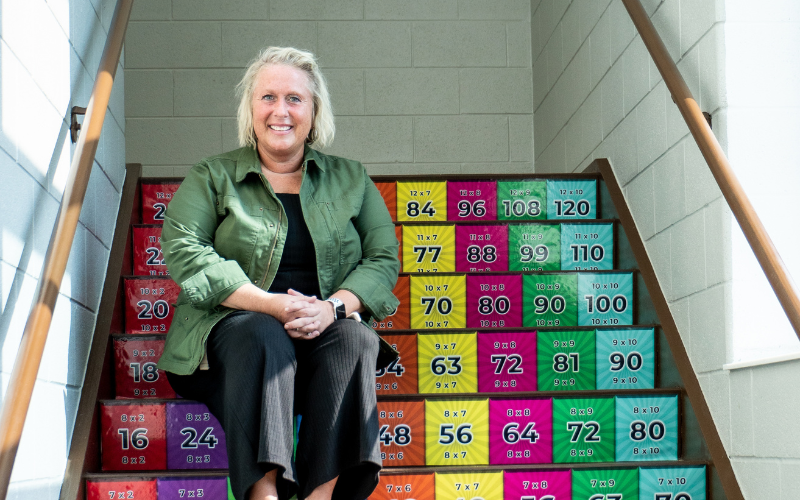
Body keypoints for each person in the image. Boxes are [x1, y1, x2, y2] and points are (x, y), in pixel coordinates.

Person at [156, 46, 400, 500]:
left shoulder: (350, 178)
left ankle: (319, 495)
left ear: (314, 111)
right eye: (268, 97)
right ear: (250, 110)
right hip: (232, 341)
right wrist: (270, 304)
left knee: (356, 338)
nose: (280, 111)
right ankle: (263, 492)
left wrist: (332, 308)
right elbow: (185, 250)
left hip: (320, 341)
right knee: (261, 333)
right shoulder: (213, 176)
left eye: (294, 98)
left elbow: (383, 257)